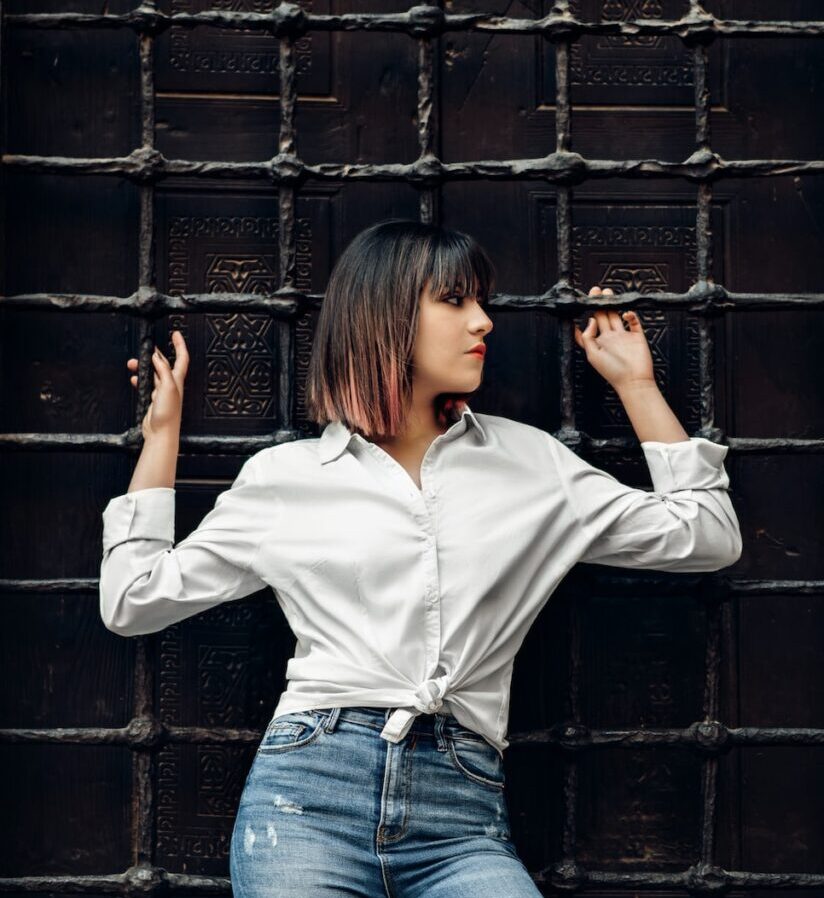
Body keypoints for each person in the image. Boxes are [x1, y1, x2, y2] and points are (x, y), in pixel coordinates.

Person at [99, 219, 743, 897]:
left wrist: (635, 387)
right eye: (456, 300)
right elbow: (134, 598)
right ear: (386, 313)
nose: (484, 322)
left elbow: (707, 534)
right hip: (306, 800)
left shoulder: (529, 463)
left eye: (481, 302)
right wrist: (162, 438)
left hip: (463, 816)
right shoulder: (286, 477)